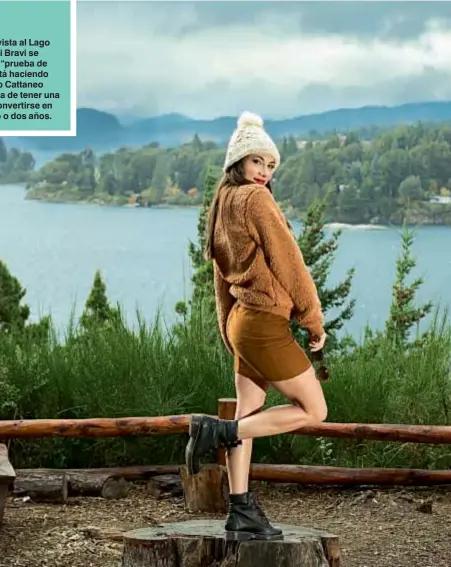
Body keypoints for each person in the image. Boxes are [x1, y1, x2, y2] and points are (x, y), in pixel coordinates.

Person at [185, 111, 329, 541]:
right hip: (264, 321)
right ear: (238, 160)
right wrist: (312, 317)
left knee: (249, 412)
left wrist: (227, 331)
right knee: (315, 410)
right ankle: (217, 430)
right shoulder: (256, 200)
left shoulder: (221, 200)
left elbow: (218, 275)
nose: (264, 172)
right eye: (257, 162)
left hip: (240, 322)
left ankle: (240, 509)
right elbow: (289, 261)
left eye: (270, 165)